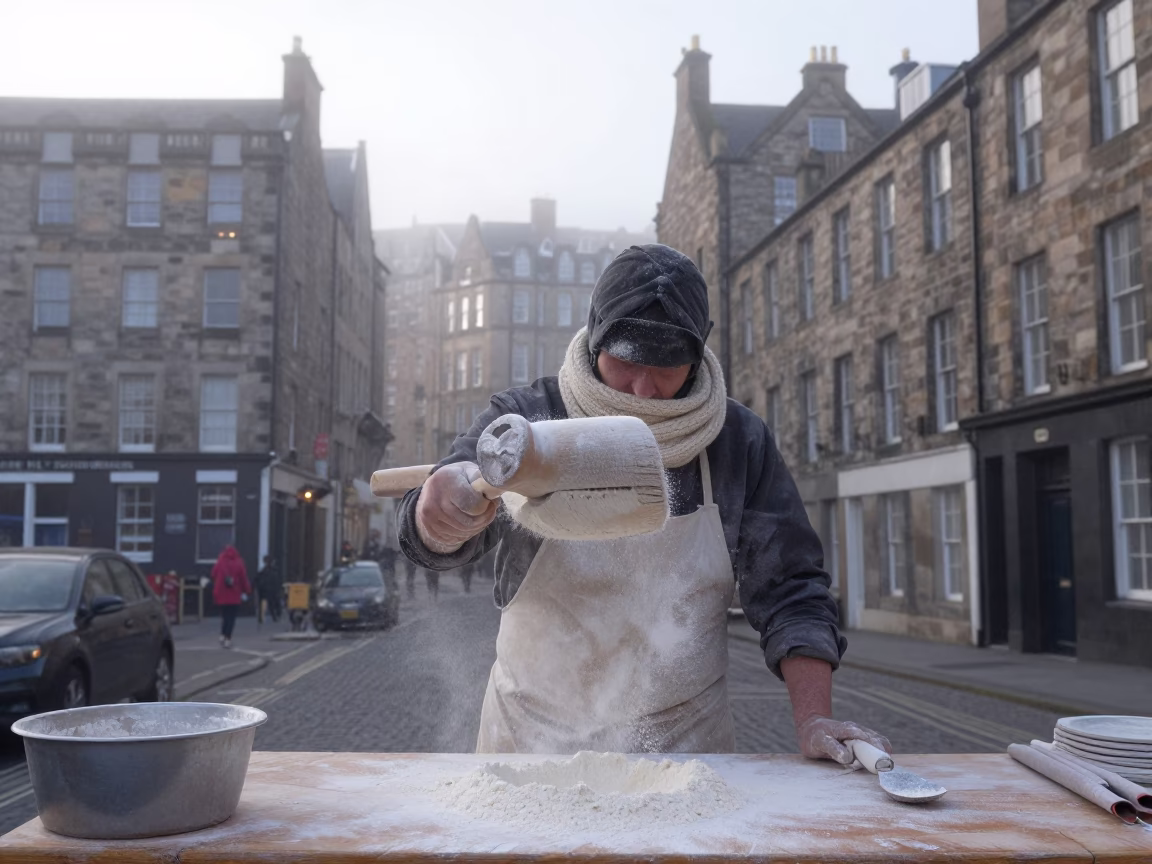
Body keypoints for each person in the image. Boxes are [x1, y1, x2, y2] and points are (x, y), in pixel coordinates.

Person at [399, 243, 891, 759]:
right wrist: (437, 515)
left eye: (668, 365)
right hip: (531, 740)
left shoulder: (735, 442)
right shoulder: (527, 422)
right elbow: (431, 533)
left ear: (698, 355)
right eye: (628, 360)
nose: (644, 389)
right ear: (595, 340)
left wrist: (813, 717)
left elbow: (792, 588)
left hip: (685, 746)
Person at [211, 545, 250, 649]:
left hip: (221, 594)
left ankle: (222, 635)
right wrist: (247, 590)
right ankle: (228, 638)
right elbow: (243, 578)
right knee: (231, 618)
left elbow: (213, 574)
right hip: (234, 594)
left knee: (224, 616)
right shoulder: (239, 563)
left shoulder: (220, 562)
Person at [255, 555, 283, 623]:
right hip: (272, 590)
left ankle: (262, 617)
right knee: (274, 603)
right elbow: (278, 581)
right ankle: (276, 615)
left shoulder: (262, 572)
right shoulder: (275, 571)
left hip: (265, 590)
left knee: (266, 603)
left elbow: (257, 580)